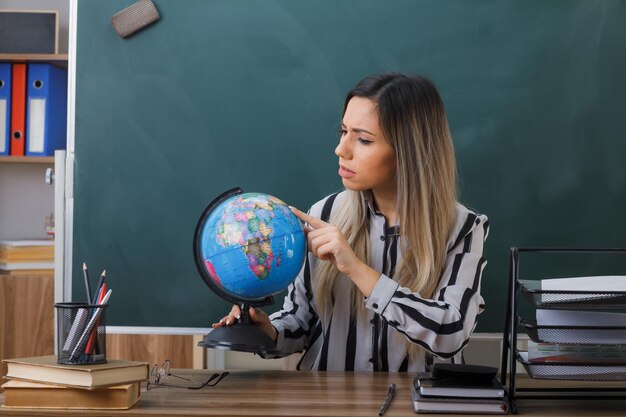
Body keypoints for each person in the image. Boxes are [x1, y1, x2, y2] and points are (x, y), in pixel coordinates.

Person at [214, 73, 489, 372]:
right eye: (343, 131)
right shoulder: (324, 214)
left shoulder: (462, 227)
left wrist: (357, 269)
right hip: (331, 404)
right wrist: (268, 331)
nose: (341, 149)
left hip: (419, 408)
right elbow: (301, 321)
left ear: (408, 151)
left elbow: (451, 333)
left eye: (363, 139)